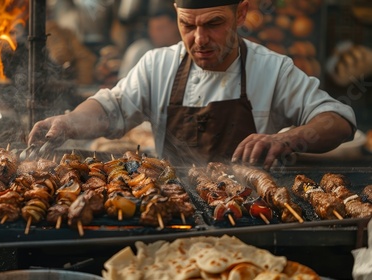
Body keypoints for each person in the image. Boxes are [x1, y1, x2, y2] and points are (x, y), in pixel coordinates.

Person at [28, 0, 356, 170]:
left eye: (214, 24)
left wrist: (291, 139)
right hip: (174, 211)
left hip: (249, 217)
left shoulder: (272, 69)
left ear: (240, 14)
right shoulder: (158, 65)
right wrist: (68, 122)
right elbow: (110, 107)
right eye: (187, 25)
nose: (199, 40)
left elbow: (338, 120)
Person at [118, 7, 181, 79]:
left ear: (176, 26)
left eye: (160, 28)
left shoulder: (185, 50)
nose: (155, 33)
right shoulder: (140, 50)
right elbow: (125, 81)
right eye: (152, 29)